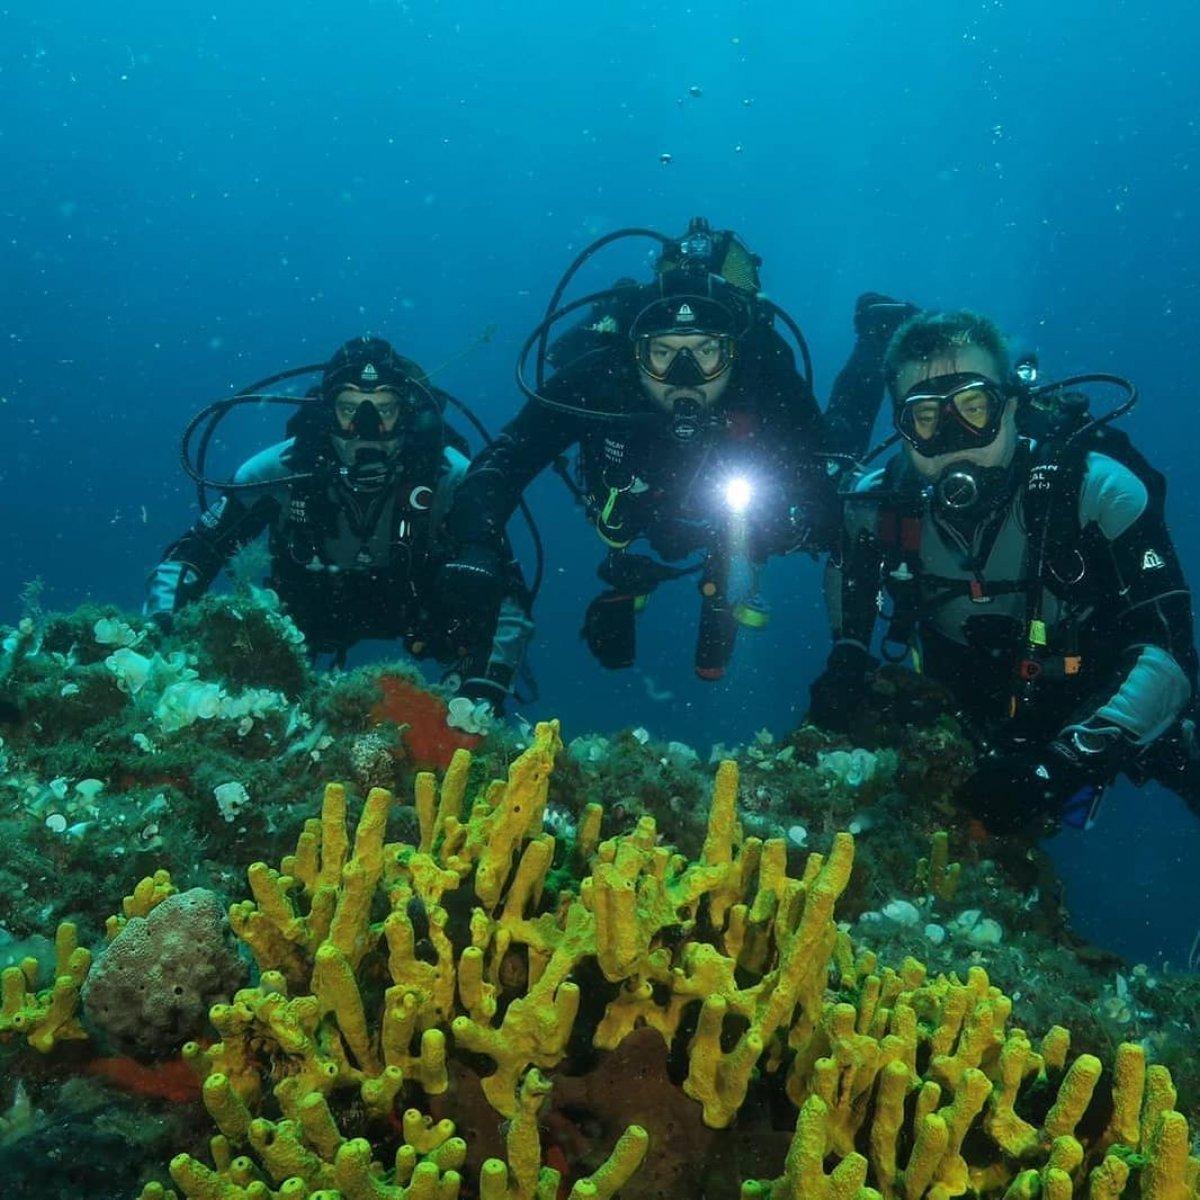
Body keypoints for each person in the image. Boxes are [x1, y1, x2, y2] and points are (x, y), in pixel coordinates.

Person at [439, 219, 901, 680]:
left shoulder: (763, 377)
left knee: (843, 452)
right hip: (638, 511)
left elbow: (820, 476)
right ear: (634, 354)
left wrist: (799, 520)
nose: (685, 372)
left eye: (705, 351)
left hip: (733, 508)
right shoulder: (603, 379)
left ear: (733, 352)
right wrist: (475, 543)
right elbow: (507, 460)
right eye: (663, 353)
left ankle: (876, 335)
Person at [810, 309, 1198, 833]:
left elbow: (1169, 653)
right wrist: (847, 660)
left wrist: (1058, 766)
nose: (953, 439)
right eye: (925, 418)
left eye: (974, 409)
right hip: (966, 703)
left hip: (1102, 690)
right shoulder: (875, 507)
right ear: (901, 429)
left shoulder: (1096, 490)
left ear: (1013, 407)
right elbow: (850, 578)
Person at [146, 336, 533, 719]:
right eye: (350, 408)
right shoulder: (280, 471)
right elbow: (196, 549)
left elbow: (506, 591)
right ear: (326, 410)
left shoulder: (451, 478)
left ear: (407, 411)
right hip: (310, 615)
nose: (367, 426)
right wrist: (156, 630)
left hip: (421, 614)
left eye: (384, 408)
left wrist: (487, 687)